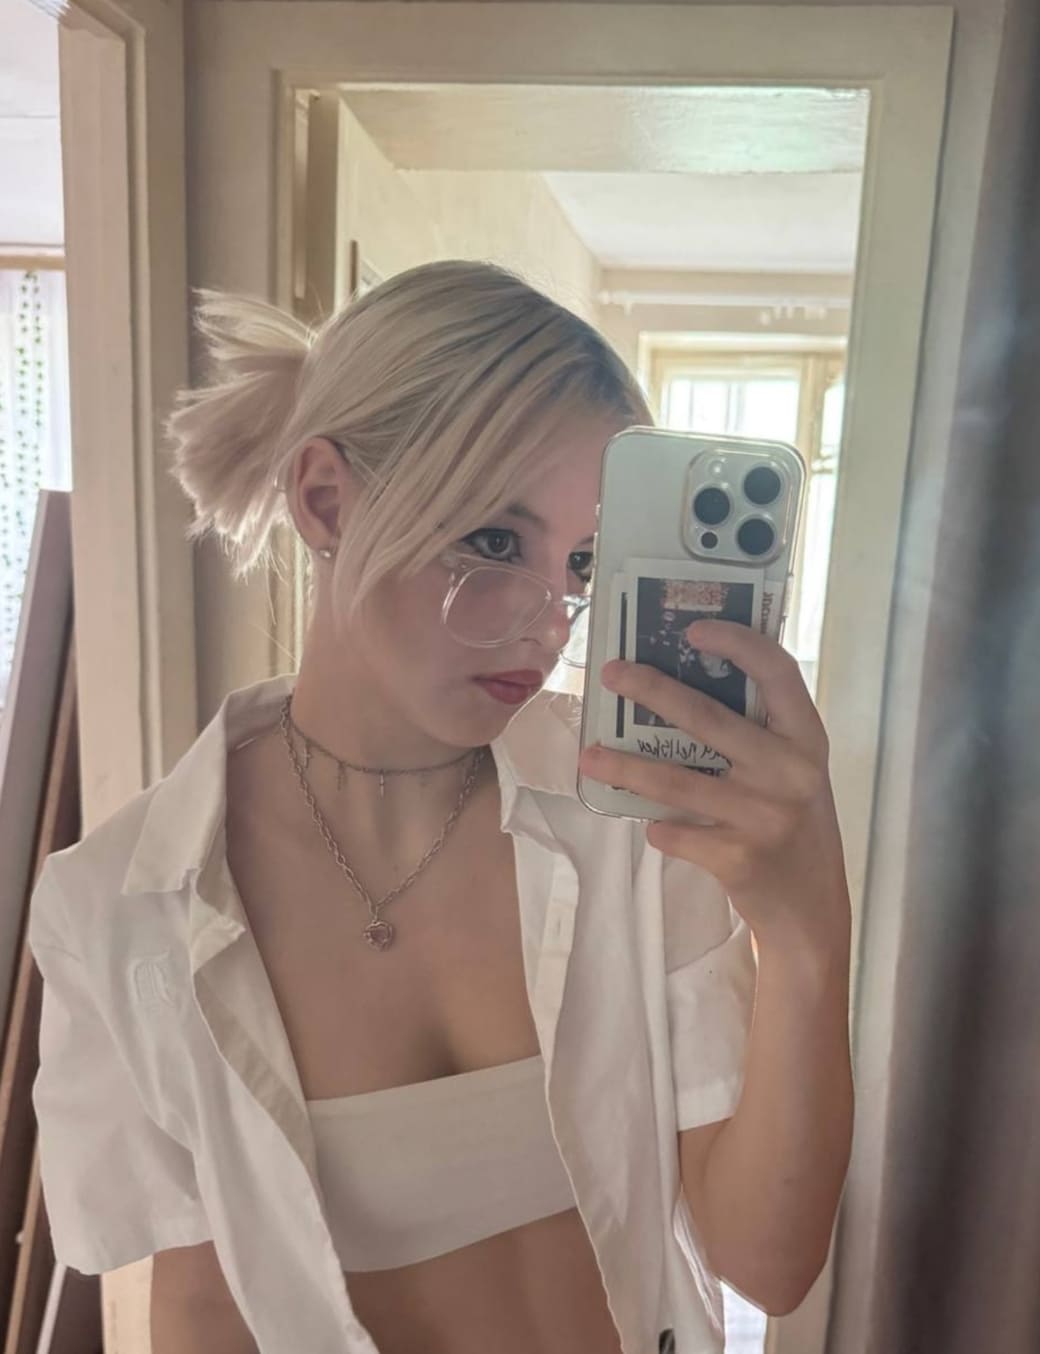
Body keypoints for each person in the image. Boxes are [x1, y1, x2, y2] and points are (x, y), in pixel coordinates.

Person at [28, 260, 854, 1354]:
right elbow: (202, 1301)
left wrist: (805, 937)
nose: (546, 620)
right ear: (326, 500)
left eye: (582, 562)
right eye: (494, 542)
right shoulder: (121, 908)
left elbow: (768, 1263)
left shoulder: (629, 818)